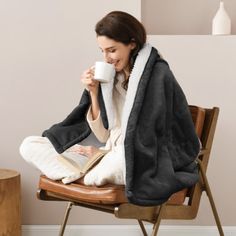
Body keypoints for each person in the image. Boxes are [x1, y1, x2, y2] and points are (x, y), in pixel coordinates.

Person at [20, 11, 200, 206]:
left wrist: (104, 156)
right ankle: (86, 176)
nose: (107, 58)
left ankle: (78, 177)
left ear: (132, 43)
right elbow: (104, 135)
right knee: (30, 145)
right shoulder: (111, 78)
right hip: (105, 154)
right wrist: (94, 93)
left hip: (135, 157)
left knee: (123, 163)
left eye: (112, 50)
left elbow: (151, 139)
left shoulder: (157, 75)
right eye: (102, 51)